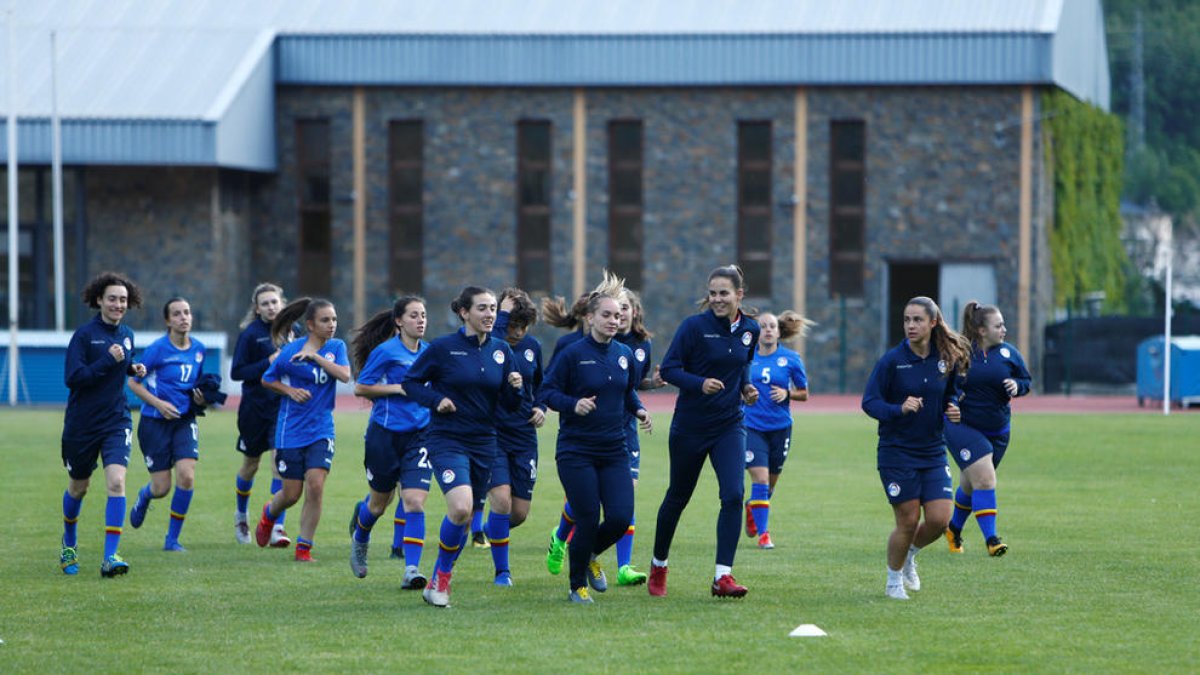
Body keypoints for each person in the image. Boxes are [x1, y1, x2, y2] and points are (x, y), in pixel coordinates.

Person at [402, 286, 523, 608]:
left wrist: (516, 390)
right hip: (448, 438)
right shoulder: (443, 348)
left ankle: (442, 577)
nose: (489, 315)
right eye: (482, 308)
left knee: (470, 515)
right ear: (464, 313)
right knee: (460, 508)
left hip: (486, 441)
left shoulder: (501, 350)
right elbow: (410, 383)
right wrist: (436, 399)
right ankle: (441, 578)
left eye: (493, 309)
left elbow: (509, 406)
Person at [649, 264, 760, 599]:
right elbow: (669, 369)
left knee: (732, 494)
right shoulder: (693, 327)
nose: (716, 299)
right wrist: (700, 384)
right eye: (712, 293)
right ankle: (659, 564)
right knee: (678, 497)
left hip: (729, 426)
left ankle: (722, 577)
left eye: (723, 293)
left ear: (739, 294)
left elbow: (742, 366)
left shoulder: (750, 330)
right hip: (690, 427)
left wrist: (747, 389)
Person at [541, 291, 652, 603]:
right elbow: (547, 391)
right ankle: (577, 586)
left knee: (619, 518)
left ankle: (588, 552)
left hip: (614, 449)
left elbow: (627, 392)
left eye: (617, 316)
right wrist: (573, 404)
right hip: (576, 451)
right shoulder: (572, 353)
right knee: (587, 516)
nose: (614, 321)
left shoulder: (624, 355)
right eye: (606, 315)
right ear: (590, 318)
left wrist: (639, 409)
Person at [861, 295, 970, 600]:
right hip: (897, 451)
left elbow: (953, 391)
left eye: (917, 319)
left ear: (933, 322)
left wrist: (952, 406)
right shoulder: (892, 361)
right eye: (907, 319)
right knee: (907, 520)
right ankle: (893, 581)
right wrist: (899, 409)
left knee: (939, 520)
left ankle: (909, 555)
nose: (910, 325)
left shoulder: (945, 358)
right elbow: (869, 403)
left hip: (933, 450)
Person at [58, 272, 147, 577]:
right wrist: (108, 361)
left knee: (117, 483)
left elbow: (121, 363)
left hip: (116, 420)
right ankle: (69, 541)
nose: (118, 304)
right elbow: (73, 378)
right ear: (99, 300)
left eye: (123, 299)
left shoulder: (128, 335)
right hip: (82, 424)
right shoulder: (84, 336)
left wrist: (132, 367)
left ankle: (110, 557)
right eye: (112, 298)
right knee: (79, 488)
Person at [254, 298, 350, 561]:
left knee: (316, 486)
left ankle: (303, 548)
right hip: (291, 431)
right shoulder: (290, 352)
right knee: (291, 493)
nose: (331, 325)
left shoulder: (336, 347)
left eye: (334, 320)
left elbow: (344, 375)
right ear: (310, 324)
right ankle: (269, 514)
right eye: (325, 320)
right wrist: (290, 391)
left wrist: (317, 357)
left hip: (321, 430)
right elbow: (267, 379)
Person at [347, 296, 432, 589]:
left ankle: (411, 569)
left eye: (423, 315)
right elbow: (361, 387)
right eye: (413, 315)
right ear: (398, 321)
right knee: (379, 505)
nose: (420, 320)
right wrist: (399, 388)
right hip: (384, 435)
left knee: (415, 502)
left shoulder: (430, 352)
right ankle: (360, 536)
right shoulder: (386, 352)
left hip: (420, 436)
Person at [943, 301, 1031, 557]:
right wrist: (951, 403)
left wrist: (1017, 386)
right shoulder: (962, 354)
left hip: (999, 431)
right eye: (998, 325)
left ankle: (953, 529)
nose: (1004, 329)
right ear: (981, 330)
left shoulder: (1009, 354)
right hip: (964, 428)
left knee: (972, 485)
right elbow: (948, 387)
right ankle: (992, 540)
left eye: (1003, 324)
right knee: (985, 479)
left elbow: (1026, 381)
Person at [126, 298, 208, 552]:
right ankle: (145, 495)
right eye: (176, 314)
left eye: (187, 312)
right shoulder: (157, 350)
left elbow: (196, 385)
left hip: (183, 421)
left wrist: (201, 398)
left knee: (187, 475)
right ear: (167, 321)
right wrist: (159, 404)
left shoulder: (199, 349)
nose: (183, 317)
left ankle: (172, 540)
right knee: (162, 487)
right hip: (154, 424)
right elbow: (133, 383)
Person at [482, 288, 546, 586]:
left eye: (523, 326)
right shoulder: (490, 345)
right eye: (512, 325)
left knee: (518, 514)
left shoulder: (532, 346)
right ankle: (502, 571)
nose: (517, 332)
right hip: (492, 433)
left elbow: (543, 386)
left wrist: (541, 407)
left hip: (524, 436)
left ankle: (485, 528)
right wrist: (502, 311)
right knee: (503, 502)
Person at [230, 283, 295, 547]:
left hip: (283, 409)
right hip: (254, 410)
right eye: (265, 303)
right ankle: (241, 514)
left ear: (282, 304)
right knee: (250, 465)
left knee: (280, 463)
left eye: (274, 302)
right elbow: (237, 372)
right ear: (257, 308)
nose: (271, 307)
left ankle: (277, 526)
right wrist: (267, 363)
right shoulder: (250, 335)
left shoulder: (294, 331)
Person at [742, 310, 813, 550]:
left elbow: (804, 393)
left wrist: (787, 393)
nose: (768, 329)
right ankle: (764, 535)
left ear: (779, 331)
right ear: (756, 332)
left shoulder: (791, 359)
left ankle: (753, 506)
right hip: (751, 426)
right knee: (760, 479)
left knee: (769, 486)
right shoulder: (746, 357)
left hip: (780, 428)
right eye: (763, 326)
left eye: (772, 326)